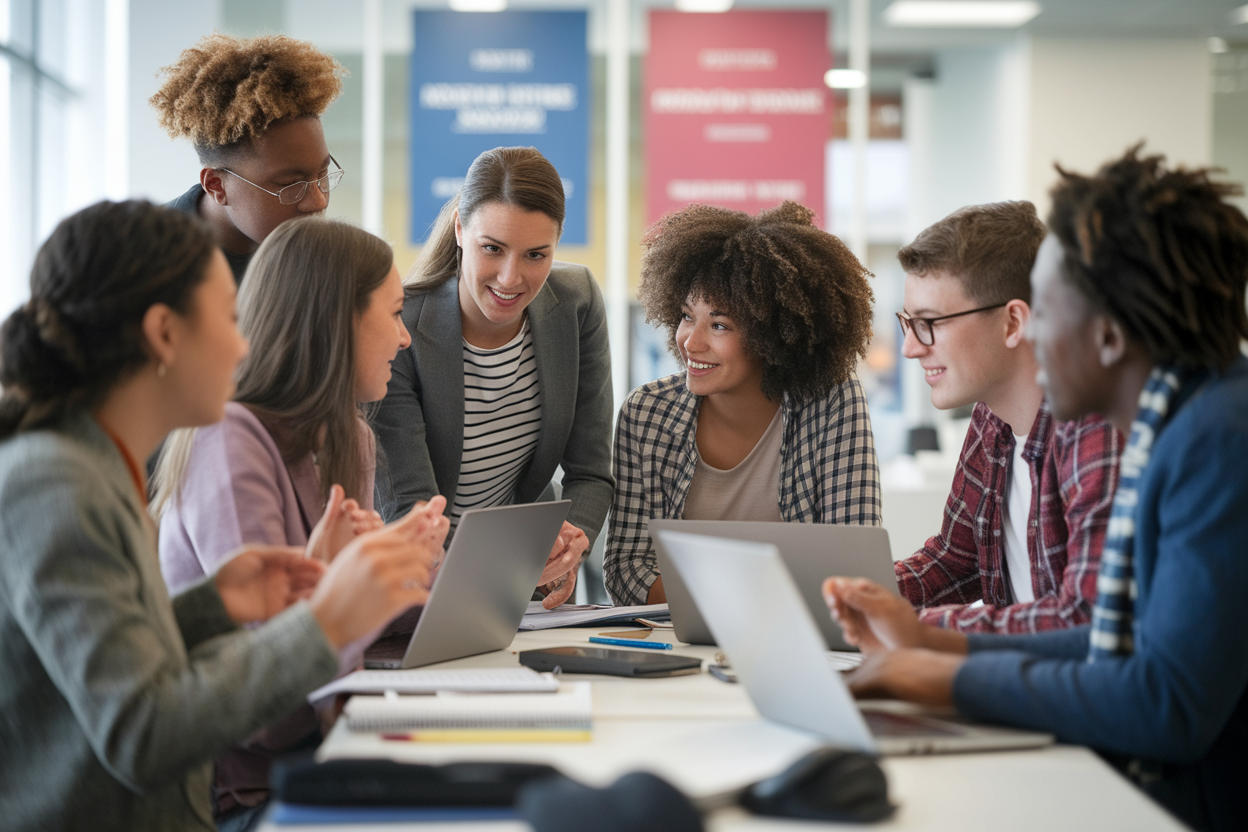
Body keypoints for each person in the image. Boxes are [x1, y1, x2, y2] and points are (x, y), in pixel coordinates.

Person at [824, 148, 1248, 831]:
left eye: (1044, 312)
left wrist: (941, 670)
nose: (1032, 340)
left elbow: (1165, 703)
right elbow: (1114, 644)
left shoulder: (1217, 441)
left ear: (1107, 334)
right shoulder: (1183, 421)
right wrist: (932, 644)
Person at [0, 200, 449, 832]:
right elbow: (142, 735)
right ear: (164, 334)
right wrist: (325, 621)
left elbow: (120, 673)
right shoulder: (55, 485)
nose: (244, 341)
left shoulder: (88, 467)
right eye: (228, 318)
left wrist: (214, 606)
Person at [152, 217, 413, 828]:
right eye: (395, 313)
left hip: (322, 757)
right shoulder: (230, 436)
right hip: (244, 798)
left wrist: (421, 567)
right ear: (337, 321)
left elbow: (348, 635)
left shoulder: (351, 437)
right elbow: (267, 712)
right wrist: (352, 594)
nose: (405, 339)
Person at [604, 201, 882, 607]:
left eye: (719, 325)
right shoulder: (646, 413)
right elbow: (626, 567)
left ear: (774, 335)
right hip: (677, 641)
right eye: (686, 316)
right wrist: (731, 608)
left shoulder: (831, 402)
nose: (691, 342)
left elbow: (855, 561)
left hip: (801, 641)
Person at [373, 146, 614, 609]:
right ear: (461, 229)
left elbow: (590, 472)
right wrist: (502, 571)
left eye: (536, 255)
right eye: (493, 248)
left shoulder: (577, 303)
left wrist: (568, 545)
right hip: (421, 583)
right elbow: (410, 510)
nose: (511, 277)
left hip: (525, 584)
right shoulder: (402, 327)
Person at [892, 201, 1120, 632]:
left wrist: (927, 630)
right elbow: (955, 562)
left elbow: (1086, 620)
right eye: (908, 322)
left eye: (929, 323)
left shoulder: (1095, 426)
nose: (911, 348)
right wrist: (857, 595)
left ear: (1013, 322)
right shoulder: (989, 421)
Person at [149, 33, 346, 283]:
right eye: (290, 185)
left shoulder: (315, 259)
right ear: (216, 185)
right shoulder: (145, 267)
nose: (318, 202)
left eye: (322, 175)